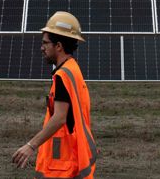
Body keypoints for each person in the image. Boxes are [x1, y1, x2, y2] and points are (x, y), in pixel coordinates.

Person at [11, 11, 97, 178]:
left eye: (45, 43)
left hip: (63, 161)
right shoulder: (73, 68)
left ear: (58, 46)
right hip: (71, 155)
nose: (42, 47)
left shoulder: (63, 76)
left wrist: (30, 145)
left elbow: (59, 117)